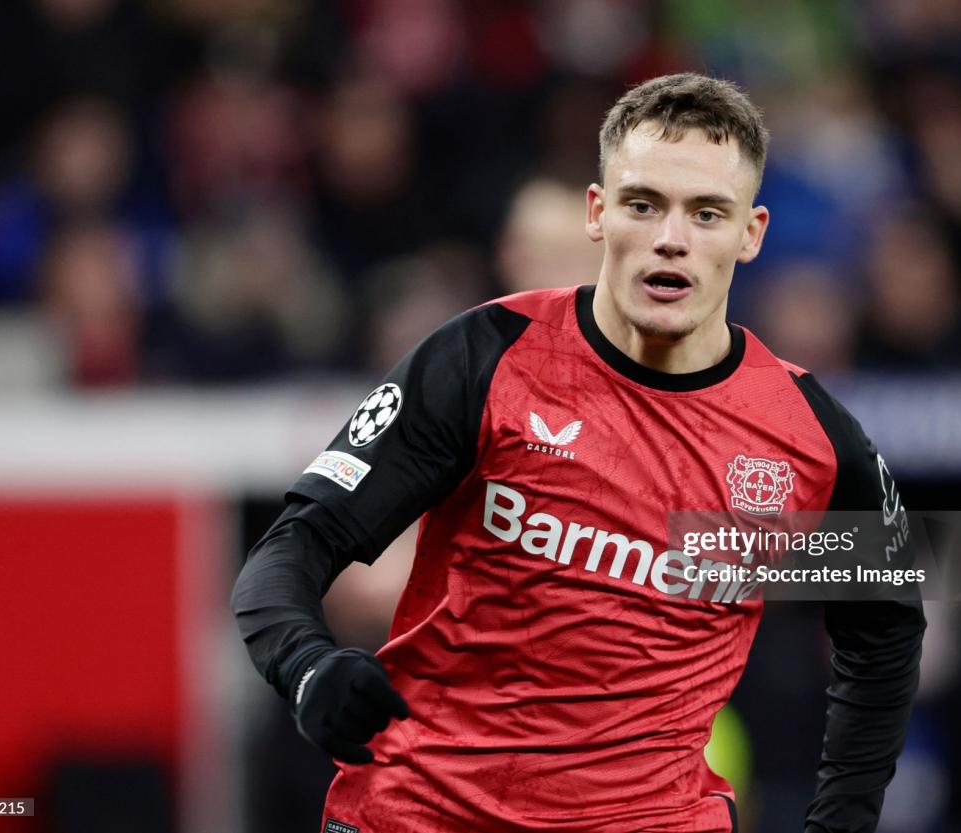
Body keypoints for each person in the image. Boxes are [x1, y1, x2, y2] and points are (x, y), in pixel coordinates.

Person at [232, 73, 925, 833]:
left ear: (751, 233)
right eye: (644, 204)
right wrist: (307, 668)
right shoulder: (483, 359)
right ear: (599, 213)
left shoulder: (811, 438)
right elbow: (290, 548)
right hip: (422, 815)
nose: (671, 237)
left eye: (706, 213)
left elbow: (886, 630)